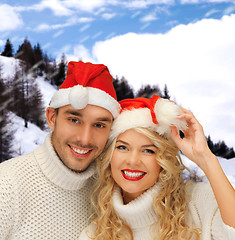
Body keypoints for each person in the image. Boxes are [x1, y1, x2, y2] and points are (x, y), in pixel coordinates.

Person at [79, 95, 235, 240]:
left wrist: (206, 159)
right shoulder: (94, 234)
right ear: (109, 155)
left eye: (148, 150)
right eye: (122, 147)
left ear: (164, 159)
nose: (133, 161)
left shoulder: (198, 202)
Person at [0, 61, 120, 239]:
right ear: (52, 118)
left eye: (99, 125)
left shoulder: (108, 191)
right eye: (74, 120)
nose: (85, 139)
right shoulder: (6, 186)